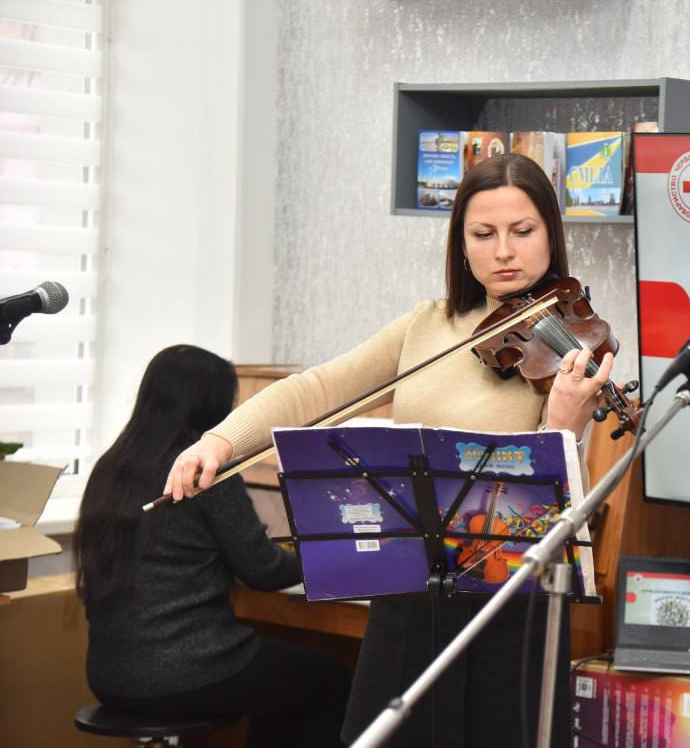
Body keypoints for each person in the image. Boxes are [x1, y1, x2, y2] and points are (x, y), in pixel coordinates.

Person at [164, 153, 615, 747]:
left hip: (506, 602)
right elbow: (316, 389)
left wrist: (563, 424)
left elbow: (550, 505)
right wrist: (220, 440)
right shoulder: (426, 327)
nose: (504, 251)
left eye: (523, 231)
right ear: (461, 245)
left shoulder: (571, 340)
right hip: (410, 591)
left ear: (551, 237)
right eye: (484, 234)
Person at [74, 344, 350, 747]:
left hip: (110, 675)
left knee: (283, 687)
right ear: (213, 407)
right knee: (331, 679)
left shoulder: (111, 465)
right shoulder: (204, 472)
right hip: (186, 669)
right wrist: (332, 555)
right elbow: (264, 571)